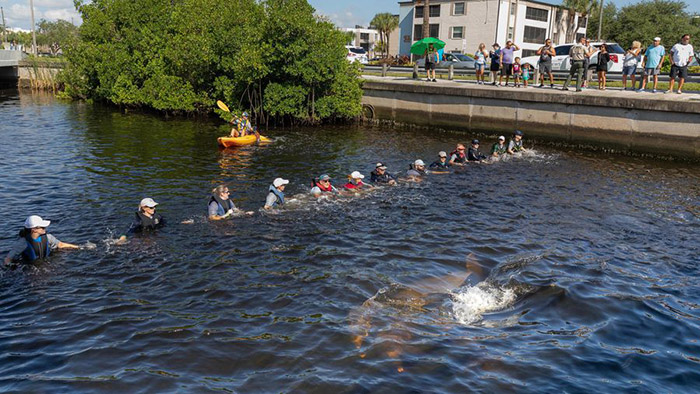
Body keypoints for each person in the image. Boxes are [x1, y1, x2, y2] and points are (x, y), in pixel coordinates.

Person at [4, 216, 79, 265]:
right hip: (30, 266)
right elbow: (8, 258)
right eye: (42, 227)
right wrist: (10, 266)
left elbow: (61, 245)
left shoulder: (48, 237)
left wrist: (79, 247)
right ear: (34, 230)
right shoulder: (22, 242)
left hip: (45, 262)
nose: (45, 228)